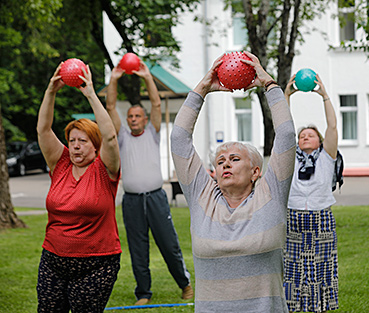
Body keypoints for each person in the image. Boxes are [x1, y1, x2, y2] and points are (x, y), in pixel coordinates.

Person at [170, 51, 296, 312]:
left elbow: (285, 135)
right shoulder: (202, 197)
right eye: (220, 161)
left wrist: (269, 85)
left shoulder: (270, 194)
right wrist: (202, 88)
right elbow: (179, 139)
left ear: (255, 172)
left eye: (235, 158)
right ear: (213, 172)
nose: (225, 163)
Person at [36, 62, 121, 312]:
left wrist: (91, 94)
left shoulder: (105, 169)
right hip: (53, 259)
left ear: (95, 147)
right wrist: (50, 92)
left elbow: (110, 137)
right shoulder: (60, 163)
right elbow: (43, 130)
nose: (74, 146)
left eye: (82, 141)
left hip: (97, 263)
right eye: (72, 140)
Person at [106, 60, 192, 305]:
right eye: (130, 116)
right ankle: (143, 293)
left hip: (156, 198)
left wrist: (147, 77)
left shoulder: (153, 134)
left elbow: (156, 103)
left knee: (169, 244)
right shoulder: (121, 136)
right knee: (137, 249)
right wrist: (113, 79)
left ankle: (185, 285)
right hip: (132, 201)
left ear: (145, 120)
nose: (133, 119)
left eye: (137, 116)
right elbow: (110, 106)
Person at [283, 74, 339, 312]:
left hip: (321, 216)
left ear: (320, 141)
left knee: (323, 265)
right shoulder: (289, 157)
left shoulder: (327, 157)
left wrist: (324, 96)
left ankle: (321, 306)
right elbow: (282, 130)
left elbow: (333, 126)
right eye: (302, 135)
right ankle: (294, 307)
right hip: (293, 215)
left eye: (311, 135)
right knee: (293, 266)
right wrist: (286, 96)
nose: (305, 136)